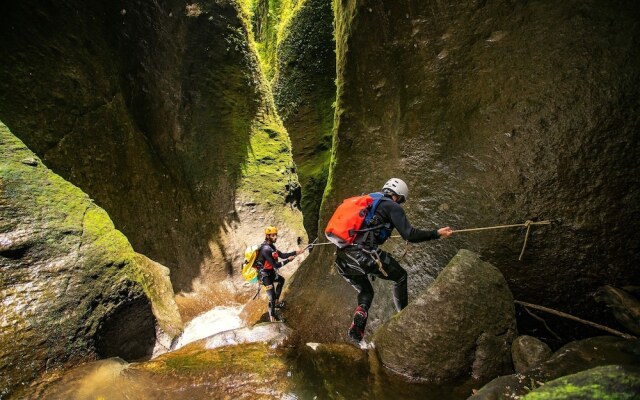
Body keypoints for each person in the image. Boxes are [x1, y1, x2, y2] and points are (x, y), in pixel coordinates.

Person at [333, 178, 454, 343]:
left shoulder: (367, 202)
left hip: (343, 257)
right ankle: (403, 315)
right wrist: (436, 233)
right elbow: (409, 235)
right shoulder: (392, 206)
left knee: (366, 291)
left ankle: (360, 316)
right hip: (365, 255)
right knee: (401, 276)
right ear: (399, 196)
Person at [257, 226, 306, 322]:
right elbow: (275, 265)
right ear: (267, 236)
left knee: (281, 280)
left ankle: (276, 302)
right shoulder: (265, 249)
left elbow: (282, 255)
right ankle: (272, 319)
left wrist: (297, 252)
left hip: (270, 272)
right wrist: (288, 261)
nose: (275, 237)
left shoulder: (272, 247)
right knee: (271, 296)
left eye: (276, 235)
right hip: (264, 276)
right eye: (273, 235)